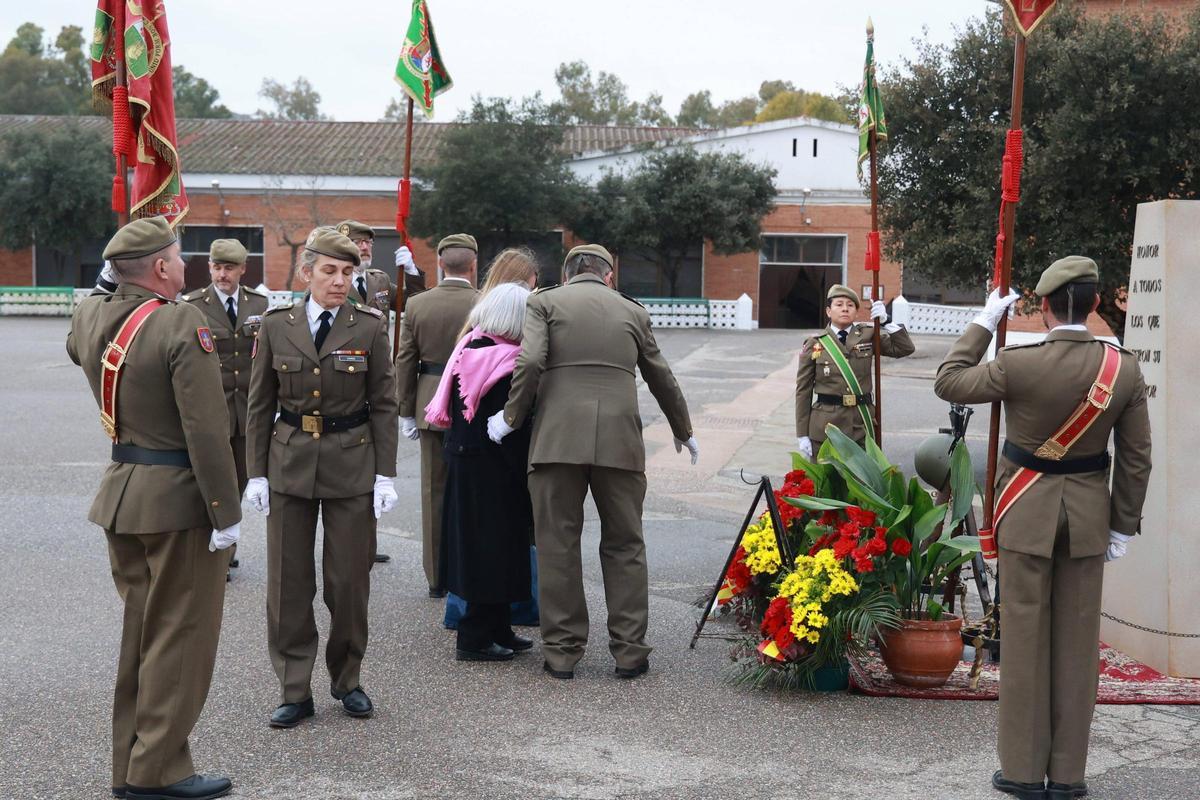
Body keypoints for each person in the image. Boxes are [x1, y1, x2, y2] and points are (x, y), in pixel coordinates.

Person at [934, 256, 1152, 800]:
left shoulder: (1017, 362)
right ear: (1097, 304)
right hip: (1088, 518)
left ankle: (1024, 773)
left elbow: (948, 382)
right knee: (1078, 646)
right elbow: (1135, 458)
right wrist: (1123, 524)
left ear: (1046, 307)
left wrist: (985, 321)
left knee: (1026, 642)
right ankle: (1069, 776)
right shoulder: (1121, 367)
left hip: (1024, 514)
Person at [67, 216, 240, 800]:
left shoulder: (91, 315)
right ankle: (157, 771)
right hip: (178, 501)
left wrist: (106, 287)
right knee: (180, 638)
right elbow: (207, 427)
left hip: (122, 493)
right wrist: (226, 511)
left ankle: (129, 766)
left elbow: (76, 343)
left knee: (143, 636)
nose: (186, 266)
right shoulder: (179, 320)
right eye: (178, 257)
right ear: (162, 268)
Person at [488, 244, 698, 680]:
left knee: (557, 543)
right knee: (625, 544)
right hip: (620, 440)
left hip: (557, 439)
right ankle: (630, 651)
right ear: (609, 276)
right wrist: (683, 429)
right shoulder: (632, 311)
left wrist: (511, 417)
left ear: (566, 275)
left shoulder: (544, 301)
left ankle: (563, 653)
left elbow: (529, 361)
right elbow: (661, 374)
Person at [244, 227, 400, 728]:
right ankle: (294, 687)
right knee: (289, 584)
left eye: (348, 272)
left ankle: (347, 679)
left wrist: (386, 475)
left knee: (349, 583)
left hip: (351, 464)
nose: (339, 281)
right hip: (288, 464)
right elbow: (259, 405)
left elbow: (384, 405)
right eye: (330, 271)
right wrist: (255, 474)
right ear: (306, 272)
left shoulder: (370, 326)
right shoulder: (275, 324)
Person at [425, 282, 535, 662]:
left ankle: (499, 627)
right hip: (487, 469)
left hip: (475, 464)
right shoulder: (495, 357)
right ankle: (474, 637)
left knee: (499, 549)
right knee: (486, 552)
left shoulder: (475, 347)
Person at [394, 234, 480, 598]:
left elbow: (405, 361)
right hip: (473, 401)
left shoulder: (418, 304)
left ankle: (436, 577)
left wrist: (405, 410)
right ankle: (468, 570)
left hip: (430, 402)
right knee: (473, 491)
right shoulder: (483, 302)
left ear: (441, 263)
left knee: (434, 491)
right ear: (473, 265)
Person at [336, 219, 423, 564]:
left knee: (376, 463)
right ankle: (348, 542)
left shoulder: (380, 280)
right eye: (358, 242)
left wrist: (412, 271)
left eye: (368, 242)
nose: (365, 248)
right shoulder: (337, 284)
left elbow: (412, 304)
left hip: (379, 377)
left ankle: (367, 544)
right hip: (347, 379)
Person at [182, 238, 269, 579]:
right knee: (214, 479)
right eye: (217, 268)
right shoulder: (193, 306)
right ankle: (218, 549)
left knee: (240, 480)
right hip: (212, 411)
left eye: (229, 268)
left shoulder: (259, 303)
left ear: (242, 270)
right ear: (210, 268)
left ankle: (227, 542)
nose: (222, 274)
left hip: (247, 411)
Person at [794, 284, 915, 457]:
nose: (845, 309)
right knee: (828, 482)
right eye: (839, 304)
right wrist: (802, 434)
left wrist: (886, 321)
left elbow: (905, 348)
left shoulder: (868, 335)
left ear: (856, 313)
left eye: (850, 305)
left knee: (861, 481)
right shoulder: (815, 344)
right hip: (826, 427)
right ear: (828, 311)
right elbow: (803, 392)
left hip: (861, 422)